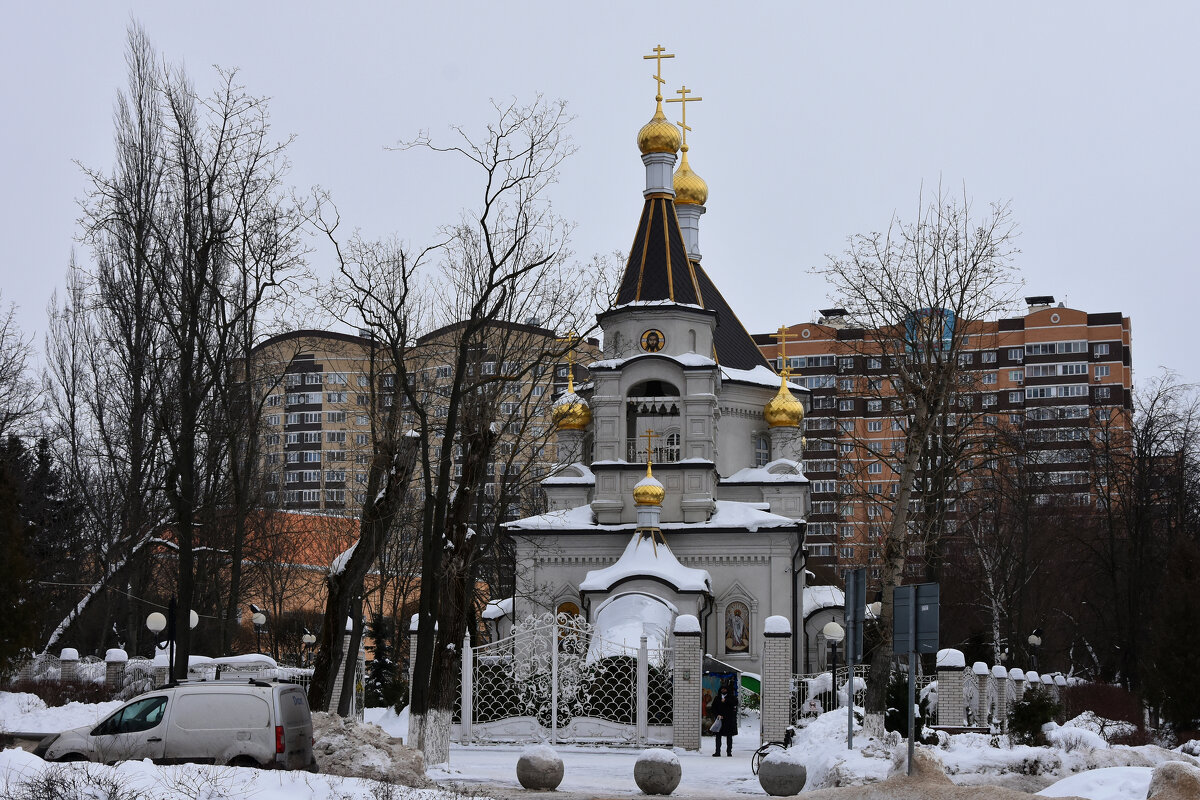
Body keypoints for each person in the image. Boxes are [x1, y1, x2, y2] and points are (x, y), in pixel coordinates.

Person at [709, 683, 738, 756]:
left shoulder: (732, 697)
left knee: (729, 737)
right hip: (719, 720)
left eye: (725, 689)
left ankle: (729, 752)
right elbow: (713, 708)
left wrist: (726, 701)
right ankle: (717, 752)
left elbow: (735, 704)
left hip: (729, 720)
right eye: (722, 689)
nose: (723, 690)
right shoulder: (717, 698)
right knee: (718, 736)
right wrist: (717, 715)